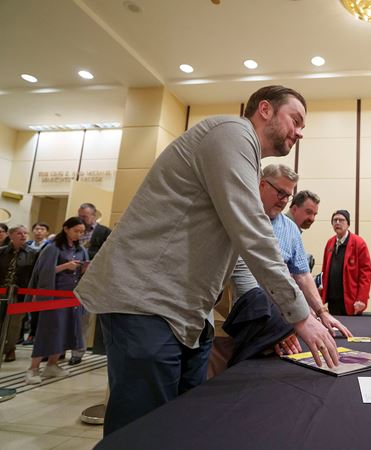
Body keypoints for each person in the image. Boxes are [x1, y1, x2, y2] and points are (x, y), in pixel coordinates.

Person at [74, 85, 339, 436]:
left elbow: (244, 257)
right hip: (146, 303)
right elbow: (253, 234)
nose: (300, 131)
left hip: (186, 315)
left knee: (181, 427)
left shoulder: (242, 155)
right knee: (143, 432)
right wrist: (301, 317)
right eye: (296, 119)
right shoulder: (231, 133)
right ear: (264, 109)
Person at [225, 165, 350, 365]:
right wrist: (277, 326)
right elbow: (247, 279)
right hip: (246, 322)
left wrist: (321, 312)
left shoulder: (290, 228)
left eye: (288, 196)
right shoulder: (239, 217)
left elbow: (302, 274)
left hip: (285, 322)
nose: (283, 200)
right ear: (261, 185)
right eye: (280, 193)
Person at [25, 217, 88, 385]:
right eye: (76, 231)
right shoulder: (53, 248)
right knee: (48, 331)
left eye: (82, 232)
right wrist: (66, 266)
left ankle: (52, 364)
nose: (79, 234)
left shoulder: (80, 249)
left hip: (71, 298)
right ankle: (33, 368)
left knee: (65, 331)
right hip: (54, 297)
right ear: (66, 229)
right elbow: (44, 271)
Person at [70, 203, 112, 365]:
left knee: (83, 318)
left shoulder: (104, 232)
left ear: (93, 216)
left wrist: (92, 263)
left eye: (84, 216)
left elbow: (108, 254)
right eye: (79, 215)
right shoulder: (73, 230)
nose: (81, 219)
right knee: (63, 316)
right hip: (69, 279)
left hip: (91, 280)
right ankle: (58, 350)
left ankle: (77, 351)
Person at [320, 210, 371, 316]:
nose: (338, 223)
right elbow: (325, 270)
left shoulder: (359, 243)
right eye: (335, 220)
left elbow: (366, 273)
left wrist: (362, 299)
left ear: (348, 224)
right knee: (334, 331)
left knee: (352, 331)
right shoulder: (330, 243)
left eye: (341, 220)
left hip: (351, 301)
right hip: (332, 300)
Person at [0, 225, 38, 362]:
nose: (23, 236)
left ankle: (10, 349)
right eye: (19, 233)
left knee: (15, 323)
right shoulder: (2, 252)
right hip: (2, 291)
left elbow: (35, 275)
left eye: (25, 233)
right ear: (10, 235)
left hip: (20, 293)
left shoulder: (33, 253)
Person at [286, 190, 320, 271]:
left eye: (314, 214)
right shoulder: (283, 230)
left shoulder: (293, 231)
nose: (312, 219)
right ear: (294, 209)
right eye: (308, 212)